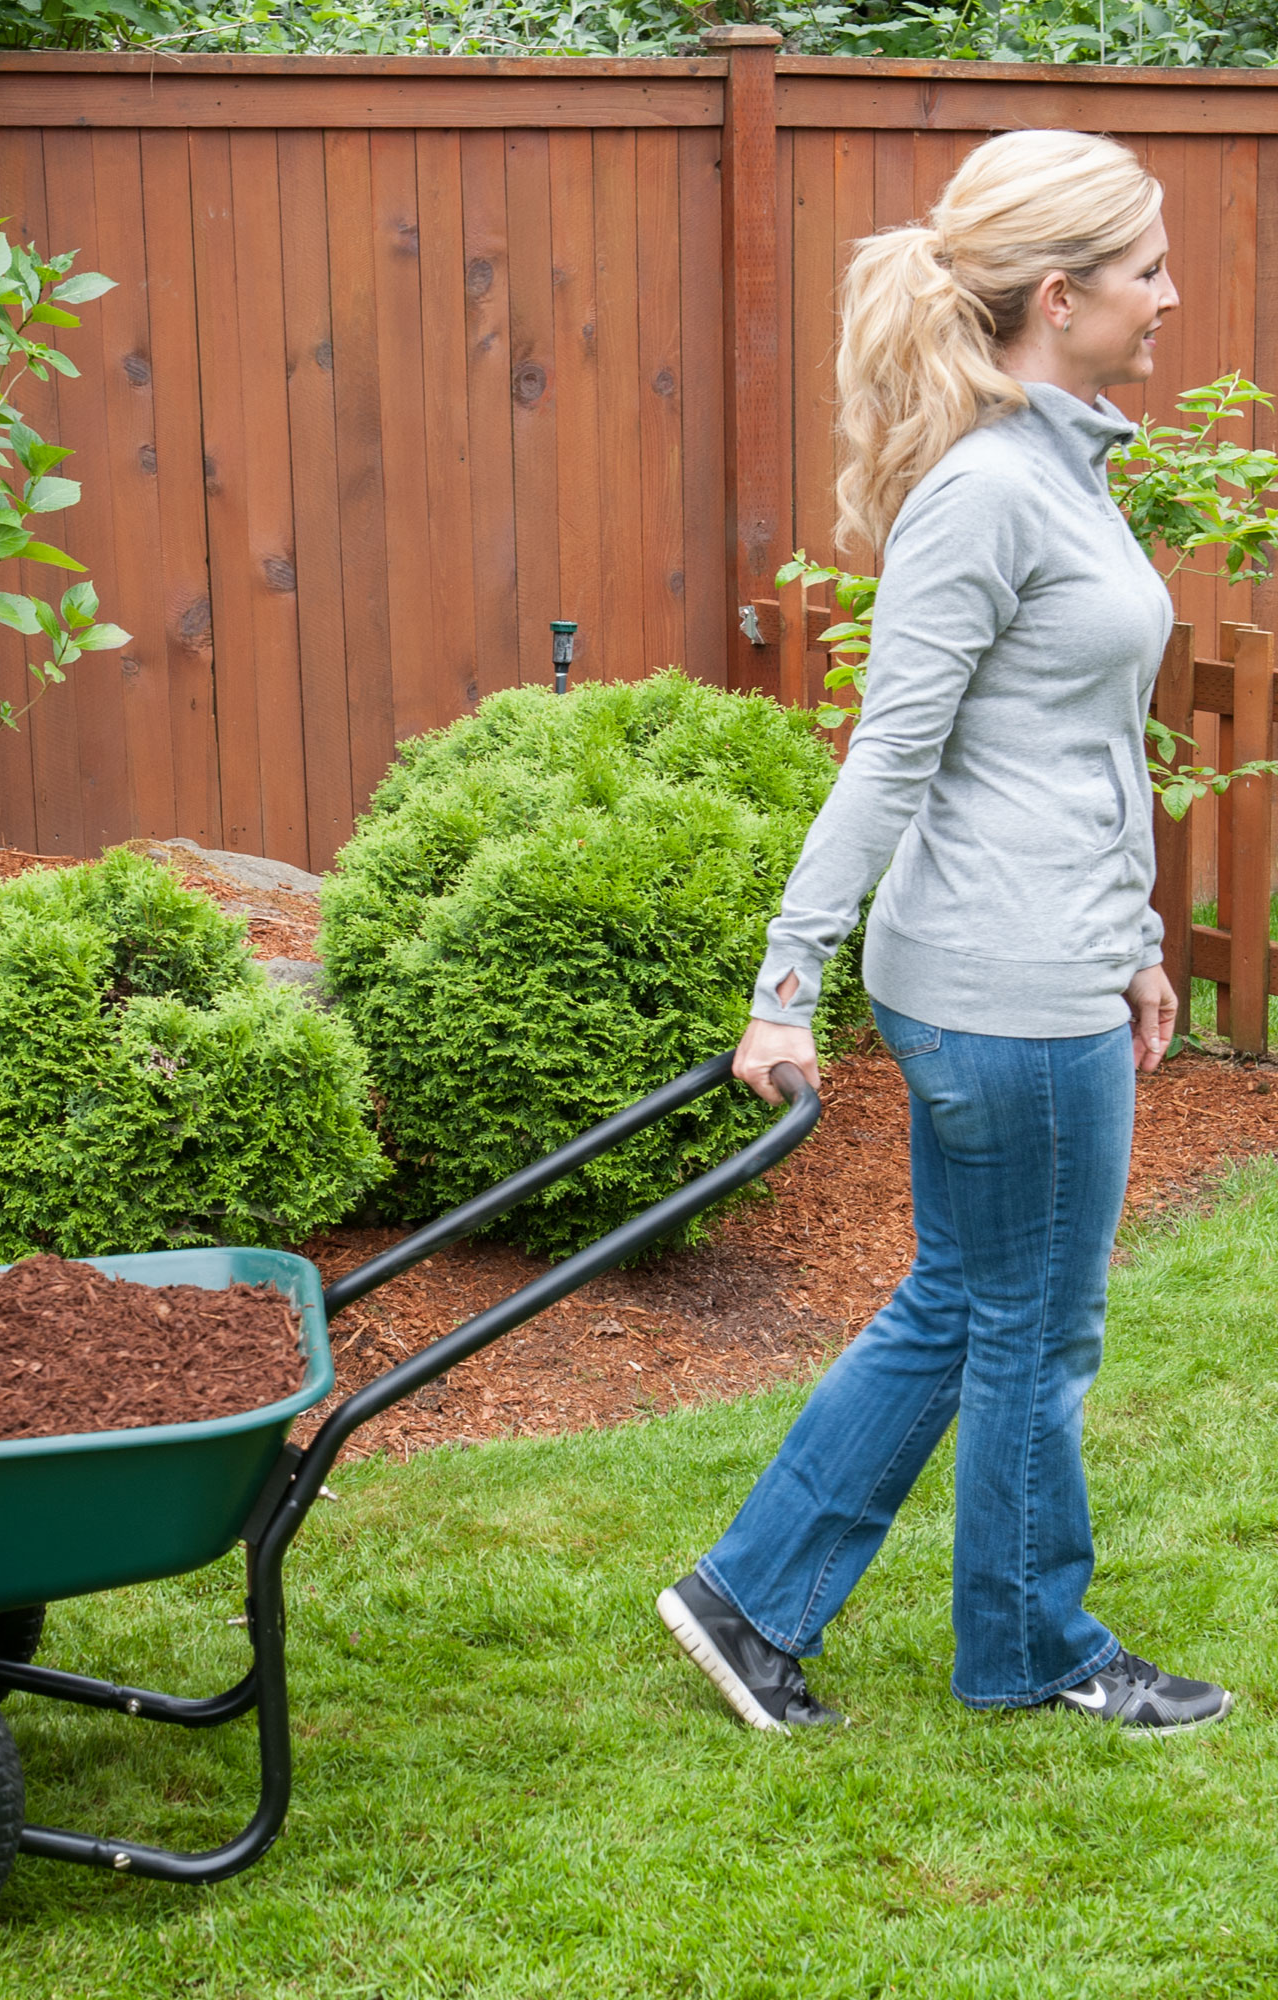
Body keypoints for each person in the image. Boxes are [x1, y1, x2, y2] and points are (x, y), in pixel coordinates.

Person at [657, 128, 1233, 1737]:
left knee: (967, 1299)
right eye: (1146, 271)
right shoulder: (988, 493)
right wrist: (784, 987)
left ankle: (748, 1601)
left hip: (1042, 952)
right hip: (1001, 984)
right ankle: (1036, 1647)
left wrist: (1131, 933)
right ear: (1061, 296)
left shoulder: (1052, 465)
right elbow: (888, 760)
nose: (1168, 297)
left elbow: (1076, 749)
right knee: (1036, 1330)